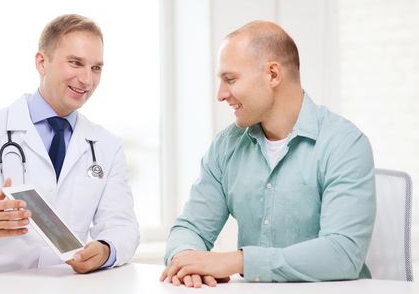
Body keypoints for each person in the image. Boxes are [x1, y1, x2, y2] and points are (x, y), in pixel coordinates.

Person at [160, 21, 376, 287]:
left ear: (273, 74)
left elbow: (343, 253)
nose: (221, 94)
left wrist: (240, 261)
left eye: (230, 79)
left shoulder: (344, 144)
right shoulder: (227, 146)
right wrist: (187, 261)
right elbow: (190, 228)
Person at [0, 14, 139, 279]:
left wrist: (106, 250)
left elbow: (123, 225)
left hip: (63, 285)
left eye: (96, 68)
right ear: (42, 62)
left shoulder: (107, 146)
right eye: (75, 63)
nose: (86, 80)